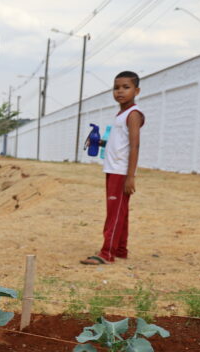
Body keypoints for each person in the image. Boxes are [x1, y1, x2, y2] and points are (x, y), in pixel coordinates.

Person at [81, 71, 144, 265]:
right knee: (120, 212)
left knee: (114, 213)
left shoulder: (133, 115)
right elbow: (119, 144)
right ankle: (120, 250)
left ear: (137, 90)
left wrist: (130, 176)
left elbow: (135, 146)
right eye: (116, 88)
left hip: (121, 172)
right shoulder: (120, 114)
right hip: (112, 169)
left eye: (126, 87)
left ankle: (107, 253)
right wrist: (98, 142)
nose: (120, 91)